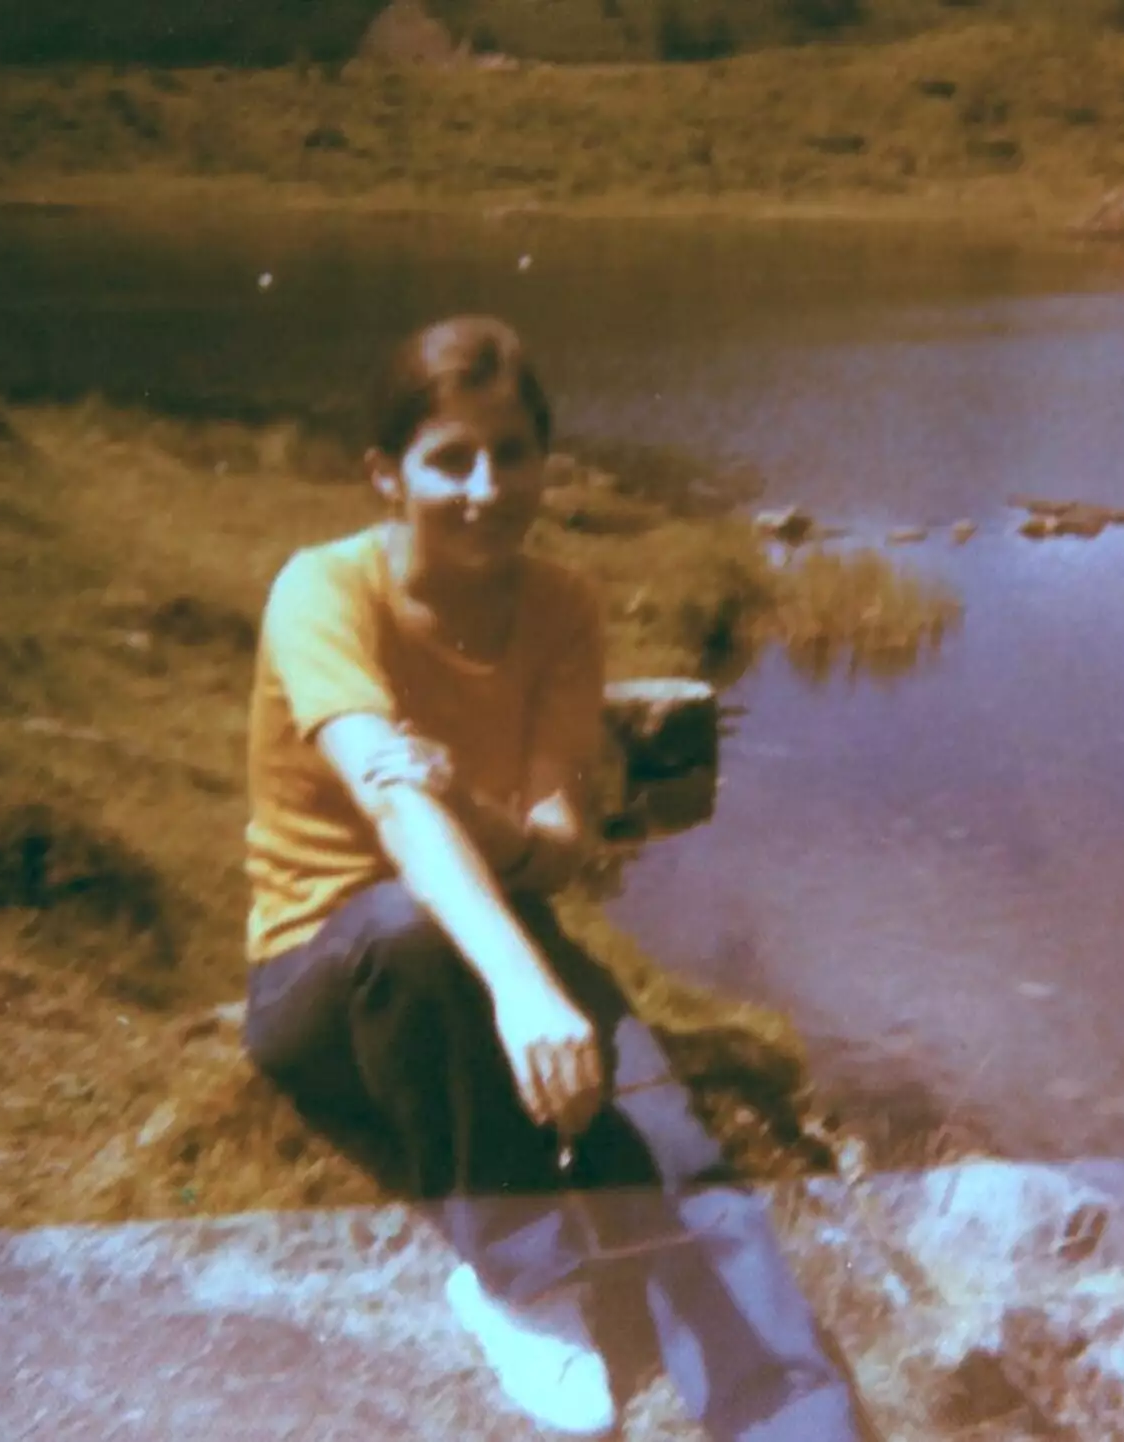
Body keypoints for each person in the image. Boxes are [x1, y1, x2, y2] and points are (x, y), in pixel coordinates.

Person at [239, 315, 865, 1440]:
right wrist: (527, 989)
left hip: (489, 926)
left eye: (513, 452)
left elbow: (558, 844)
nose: (488, 487)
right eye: (450, 458)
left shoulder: (563, 605)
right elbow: (394, 812)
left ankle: (793, 1416)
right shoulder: (321, 591)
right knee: (410, 930)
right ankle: (516, 1276)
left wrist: (471, 806)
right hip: (330, 960)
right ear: (386, 473)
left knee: (676, 1153)